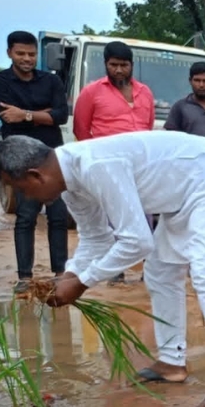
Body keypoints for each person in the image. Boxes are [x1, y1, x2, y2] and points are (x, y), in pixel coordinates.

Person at [0, 132, 205, 407]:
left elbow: (136, 242)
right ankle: (172, 362)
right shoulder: (70, 184)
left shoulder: (97, 166)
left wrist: (82, 282)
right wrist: (69, 274)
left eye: (20, 188)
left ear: (36, 175)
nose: (24, 197)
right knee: (159, 271)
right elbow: (96, 238)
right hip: (184, 193)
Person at [0, 30, 70, 294]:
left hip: (53, 157)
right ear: (9, 52)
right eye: (20, 53)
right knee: (25, 216)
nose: (27, 59)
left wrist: (26, 114)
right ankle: (25, 277)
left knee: (58, 217)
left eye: (32, 54)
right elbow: (8, 116)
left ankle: (60, 273)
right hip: (20, 161)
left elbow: (61, 116)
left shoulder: (52, 81)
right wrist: (42, 114)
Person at [72, 40, 156, 285]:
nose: (119, 70)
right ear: (106, 64)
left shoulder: (145, 92)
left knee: (145, 215)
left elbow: (148, 126)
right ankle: (115, 272)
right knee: (114, 219)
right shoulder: (92, 92)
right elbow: (81, 130)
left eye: (124, 65)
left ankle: (148, 271)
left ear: (132, 65)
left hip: (141, 166)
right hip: (108, 167)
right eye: (114, 65)